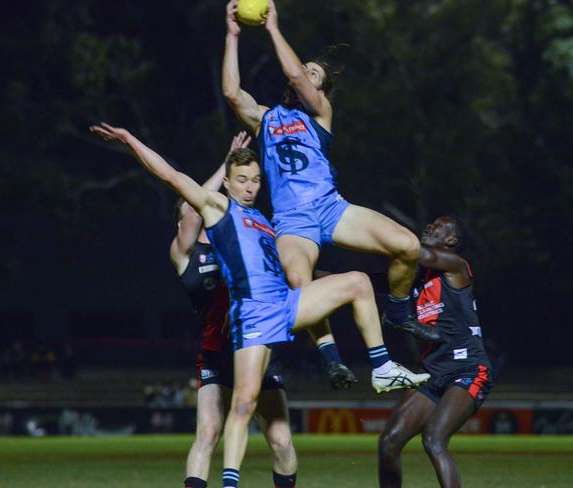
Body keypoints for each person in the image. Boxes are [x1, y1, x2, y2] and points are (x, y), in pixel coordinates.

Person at [89, 122, 429, 488]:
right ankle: (231, 483)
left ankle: (380, 366)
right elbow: (171, 176)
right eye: (242, 179)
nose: (250, 186)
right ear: (229, 183)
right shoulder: (217, 211)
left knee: (357, 282)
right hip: (252, 315)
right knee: (241, 408)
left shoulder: (266, 222)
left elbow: (295, 270)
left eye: (255, 180)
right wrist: (129, 140)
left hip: (282, 305)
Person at [221, 0, 441, 344]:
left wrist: (273, 29)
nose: (304, 74)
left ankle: (398, 312)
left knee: (408, 246)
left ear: (320, 90)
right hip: (292, 220)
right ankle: (328, 355)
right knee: (298, 281)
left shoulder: (321, 113)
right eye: (305, 70)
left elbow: (293, 74)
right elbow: (232, 93)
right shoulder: (267, 119)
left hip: (331, 208)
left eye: (314, 74)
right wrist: (233, 35)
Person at [171, 132, 297, 488]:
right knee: (208, 434)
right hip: (216, 353)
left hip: (258, 343)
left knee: (282, 440)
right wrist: (225, 168)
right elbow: (194, 201)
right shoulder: (185, 255)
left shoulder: (248, 230)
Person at [378, 217, 492, 488]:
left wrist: (372, 233)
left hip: (468, 369)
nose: (429, 226)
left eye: (438, 226)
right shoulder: (415, 278)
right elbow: (364, 281)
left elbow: (418, 252)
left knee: (433, 438)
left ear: (451, 241)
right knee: (389, 442)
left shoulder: (456, 266)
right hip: (432, 372)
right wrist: (313, 271)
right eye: (429, 223)